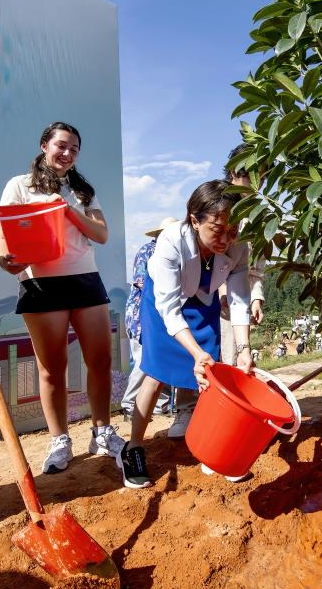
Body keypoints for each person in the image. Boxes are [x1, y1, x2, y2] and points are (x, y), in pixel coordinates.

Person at [0, 121, 125, 474]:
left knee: (100, 361)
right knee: (52, 369)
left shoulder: (82, 190)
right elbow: (3, 239)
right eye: (61, 146)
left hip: (85, 280)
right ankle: (59, 440)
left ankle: (102, 432)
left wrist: (67, 209)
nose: (67, 153)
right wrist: (4, 260)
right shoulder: (19, 185)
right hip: (40, 284)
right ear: (44, 146)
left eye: (74, 149)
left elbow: (101, 234)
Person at [116, 180, 253, 488]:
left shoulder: (239, 245)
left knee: (210, 374)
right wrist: (195, 353)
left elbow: (239, 299)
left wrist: (244, 349)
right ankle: (133, 447)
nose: (226, 239)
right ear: (194, 220)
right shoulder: (170, 242)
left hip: (203, 301)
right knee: (155, 374)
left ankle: (213, 448)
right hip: (163, 304)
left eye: (232, 230)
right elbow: (168, 308)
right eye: (217, 230)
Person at [167, 145, 266, 439]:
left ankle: (231, 413)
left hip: (237, 293)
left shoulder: (259, 215)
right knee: (199, 351)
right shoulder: (215, 200)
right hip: (202, 292)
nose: (256, 182)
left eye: (262, 176)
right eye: (251, 174)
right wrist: (219, 287)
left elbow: (253, 264)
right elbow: (199, 253)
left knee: (235, 353)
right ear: (234, 171)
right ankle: (187, 408)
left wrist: (256, 294)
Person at [120, 217, 179, 418]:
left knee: (161, 357)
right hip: (141, 315)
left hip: (160, 314)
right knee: (143, 360)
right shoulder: (147, 251)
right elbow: (141, 282)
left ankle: (160, 404)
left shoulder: (173, 252)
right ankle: (130, 403)